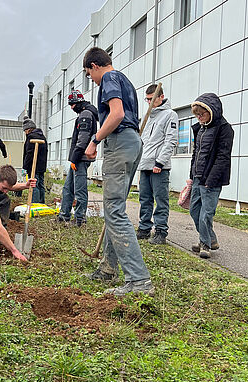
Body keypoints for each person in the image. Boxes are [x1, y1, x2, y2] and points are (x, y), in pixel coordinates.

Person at [83, 47, 154, 296]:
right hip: (132, 143)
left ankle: (139, 281)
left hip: (120, 142)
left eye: (89, 74)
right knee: (116, 208)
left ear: (94, 65)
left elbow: (116, 114)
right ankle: (108, 268)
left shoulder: (110, 79)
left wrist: (95, 140)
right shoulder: (125, 80)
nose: (91, 79)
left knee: (113, 210)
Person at [189, 93, 234, 259]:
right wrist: (191, 175)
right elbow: (196, 154)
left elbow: (223, 156)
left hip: (211, 180)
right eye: (197, 115)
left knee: (206, 214)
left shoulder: (224, 129)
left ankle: (205, 244)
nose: (199, 118)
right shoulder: (200, 129)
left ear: (212, 111)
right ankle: (211, 239)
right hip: (197, 177)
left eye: (202, 114)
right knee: (194, 211)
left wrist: (211, 180)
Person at [136, 84, 178, 244]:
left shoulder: (170, 115)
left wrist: (160, 162)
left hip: (159, 166)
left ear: (161, 97)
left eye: (152, 99)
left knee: (161, 200)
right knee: (144, 199)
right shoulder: (147, 116)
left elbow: (171, 140)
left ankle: (161, 232)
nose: (149, 102)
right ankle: (144, 228)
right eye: (147, 99)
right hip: (144, 164)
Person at [56, 90, 98, 226]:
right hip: (78, 158)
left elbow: (83, 139)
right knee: (68, 188)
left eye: (73, 104)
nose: (72, 107)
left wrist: (74, 159)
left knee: (80, 190)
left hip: (81, 159)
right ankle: (64, 215)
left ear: (79, 102)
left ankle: (80, 219)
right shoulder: (84, 113)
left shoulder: (85, 115)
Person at [22, 116, 47, 204]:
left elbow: (29, 154)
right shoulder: (43, 137)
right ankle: (41, 203)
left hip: (33, 166)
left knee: (34, 185)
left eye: (25, 130)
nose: (25, 132)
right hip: (42, 165)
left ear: (28, 129)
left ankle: (35, 204)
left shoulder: (31, 137)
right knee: (41, 184)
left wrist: (25, 167)